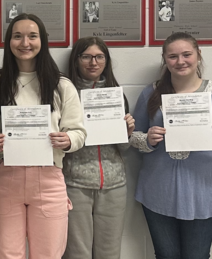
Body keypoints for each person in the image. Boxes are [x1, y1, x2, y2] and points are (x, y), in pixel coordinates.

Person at [131, 32, 212, 259]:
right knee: (166, 255)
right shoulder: (151, 92)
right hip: (159, 190)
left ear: (198, 55)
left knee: (198, 255)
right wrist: (148, 140)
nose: (180, 61)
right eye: (173, 56)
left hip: (204, 191)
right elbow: (133, 138)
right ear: (165, 59)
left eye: (187, 54)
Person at [0, 13, 86, 259]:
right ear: (9, 41)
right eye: (17, 36)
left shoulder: (61, 85)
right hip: (6, 178)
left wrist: (68, 140)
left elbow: (79, 132)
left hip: (49, 179)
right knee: (6, 255)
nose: (25, 43)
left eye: (32, 36)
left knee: (48, 255)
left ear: (42, 41)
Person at [62, 37, 135, 259]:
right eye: (86, 56)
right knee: (77, 254)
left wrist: (127, 133)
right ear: (76, 60)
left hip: (114, 185)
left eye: (99, 57)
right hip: (75, 184)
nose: (93, 62)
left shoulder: (116, 94)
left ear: (106, 60)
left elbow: (124, 147)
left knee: (109, 253)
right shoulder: (64, 93)